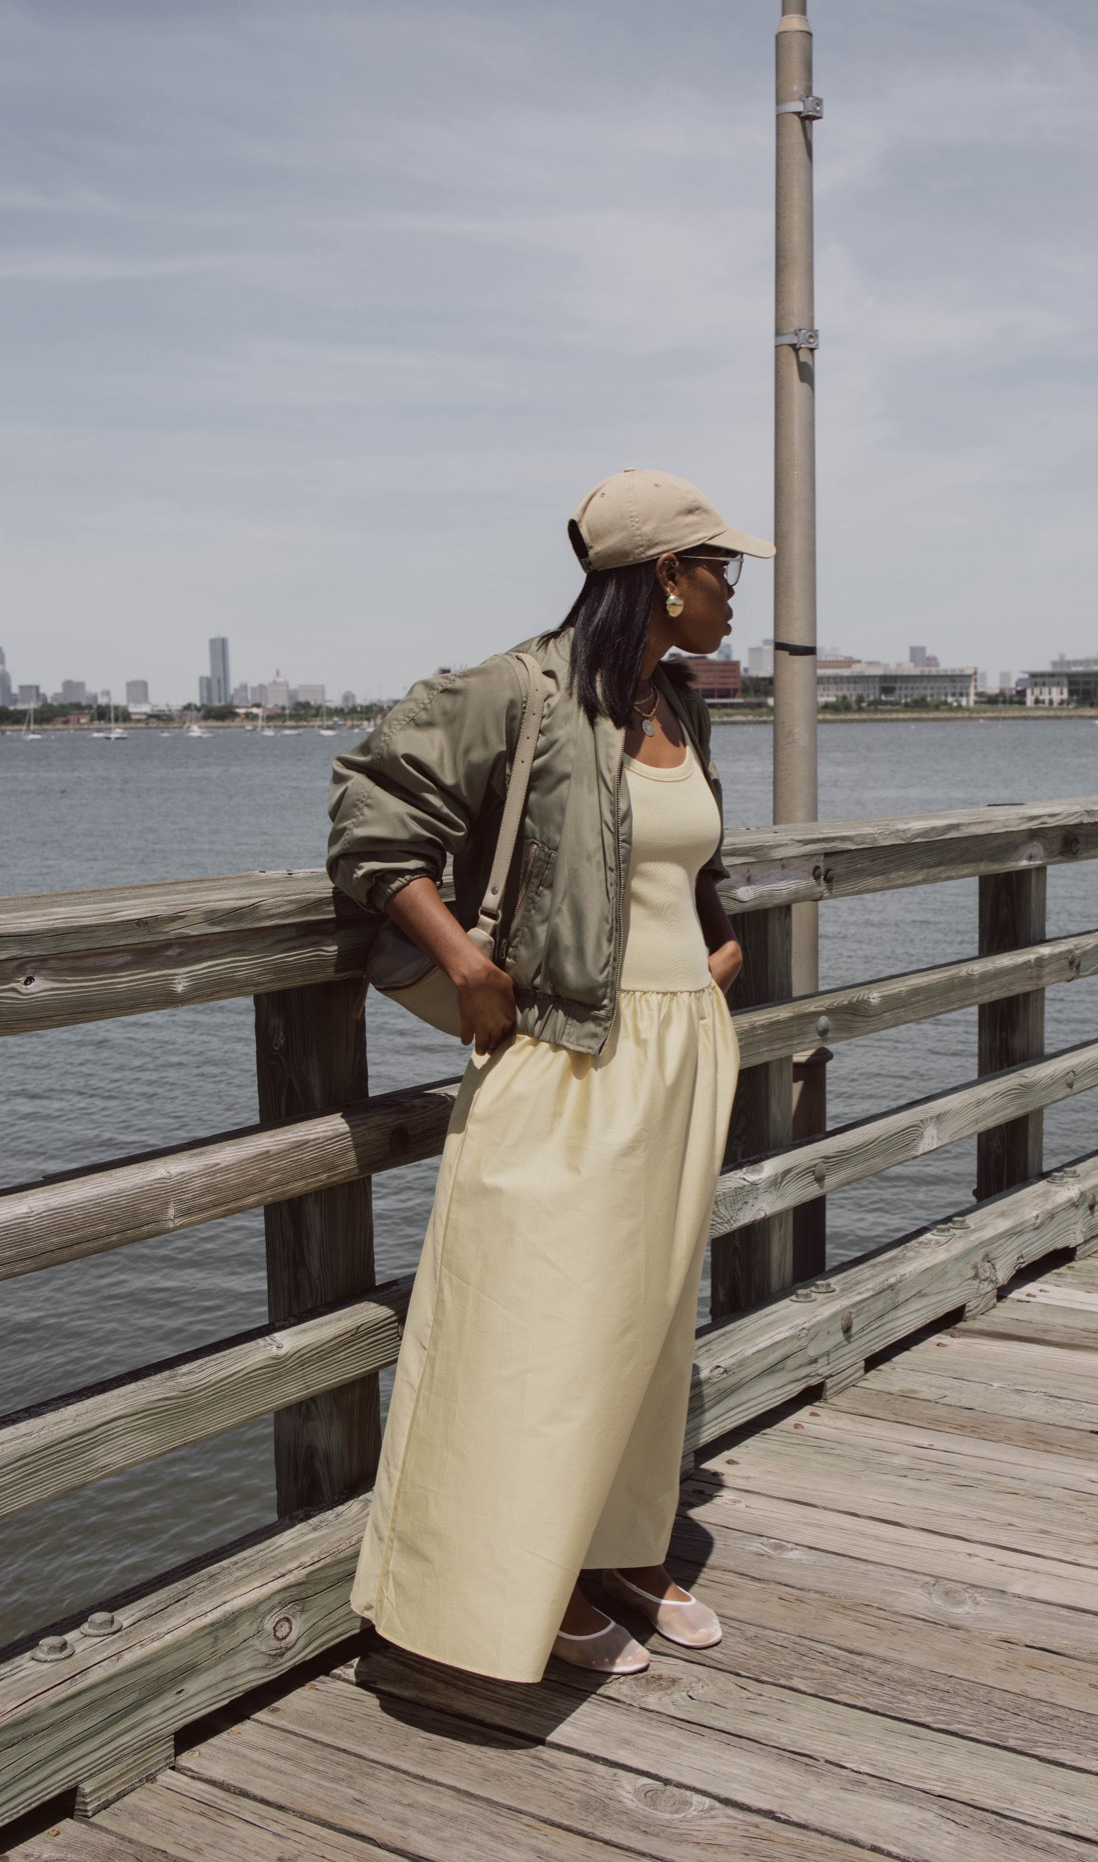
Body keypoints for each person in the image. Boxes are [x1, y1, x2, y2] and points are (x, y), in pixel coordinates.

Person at [327, 468, 773, 1681]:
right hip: (566, 1047)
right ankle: (491, 1588)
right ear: (664, 576)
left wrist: (711, 950)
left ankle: (613, 1547)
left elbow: (673, 865)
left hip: (684, 1042)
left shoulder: (685, 704)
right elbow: (371, 809)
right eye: (718, 569)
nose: (732, 591)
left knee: (645, 1321)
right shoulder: (513, 689)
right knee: (527, 1325)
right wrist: (463, 959)